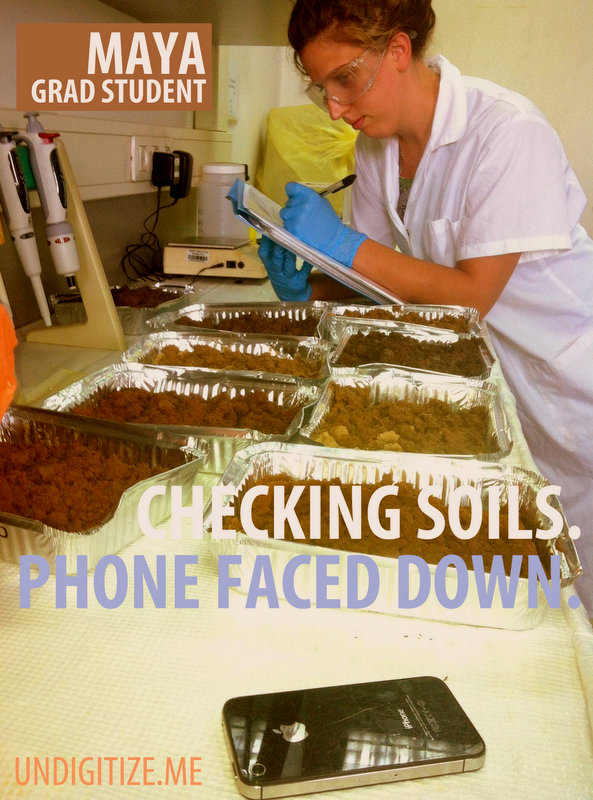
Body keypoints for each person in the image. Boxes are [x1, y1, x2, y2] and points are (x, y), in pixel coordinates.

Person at [258, 0, 593, 615]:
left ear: (398, 50)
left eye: (345, 78)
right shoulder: (376, 149)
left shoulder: (507, 132)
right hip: (496, 390)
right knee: (538, 584)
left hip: (570, 386)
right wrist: (311, 287)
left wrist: (343, 244)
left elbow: (471, 296)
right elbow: (382, 286)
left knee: (581, 589)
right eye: (322, 88)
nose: (335, 108)